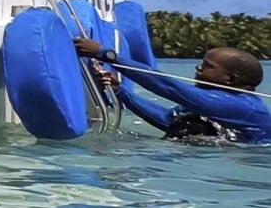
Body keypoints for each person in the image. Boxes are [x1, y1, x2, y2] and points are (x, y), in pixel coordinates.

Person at [76, 37, 271, 144]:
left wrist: (107, 55)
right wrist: (121, 92)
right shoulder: (217, 99)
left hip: (250, 159)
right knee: (185, 124)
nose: (198, 68)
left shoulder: (242, 107)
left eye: (207, 65)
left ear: (230, 79)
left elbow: (169, 87)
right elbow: (168, 120)